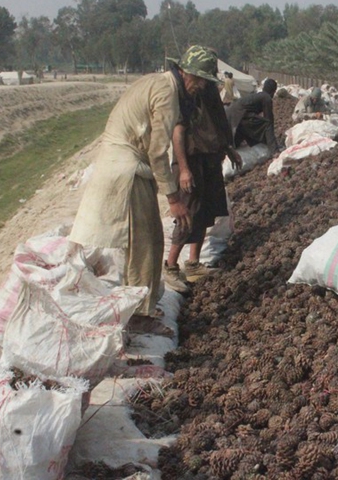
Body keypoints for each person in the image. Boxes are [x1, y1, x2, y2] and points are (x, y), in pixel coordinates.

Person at [68, 44, 217, 336]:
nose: (200, 87)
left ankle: (141, 306)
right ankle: (138, 316)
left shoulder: (160, 83)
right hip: (127, 170)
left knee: (145, 241)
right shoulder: (167, 94)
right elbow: (157, 151)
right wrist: (173, 198)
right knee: (145, 244)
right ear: (186, 73)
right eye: (199, 80)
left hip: (125, 164)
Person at [164, 64, 242, 289]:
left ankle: (193, 264)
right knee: (187, 213)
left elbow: (218, 122)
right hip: (191, 159)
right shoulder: (184, 95)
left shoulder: (206, 90)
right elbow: (178, 132)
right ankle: (170, 266)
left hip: (209, 158)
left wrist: (228, 148)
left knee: (205, 211)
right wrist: (184, 169)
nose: (202, 83)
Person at [226, 78, 280, 155]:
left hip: (233, 114)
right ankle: (274, 152)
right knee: (265, 124)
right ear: (273, 91)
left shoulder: (259, 95)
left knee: (246, 129)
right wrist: (274, 148)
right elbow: (268, 122)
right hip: (240, 115)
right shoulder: (266, 97)